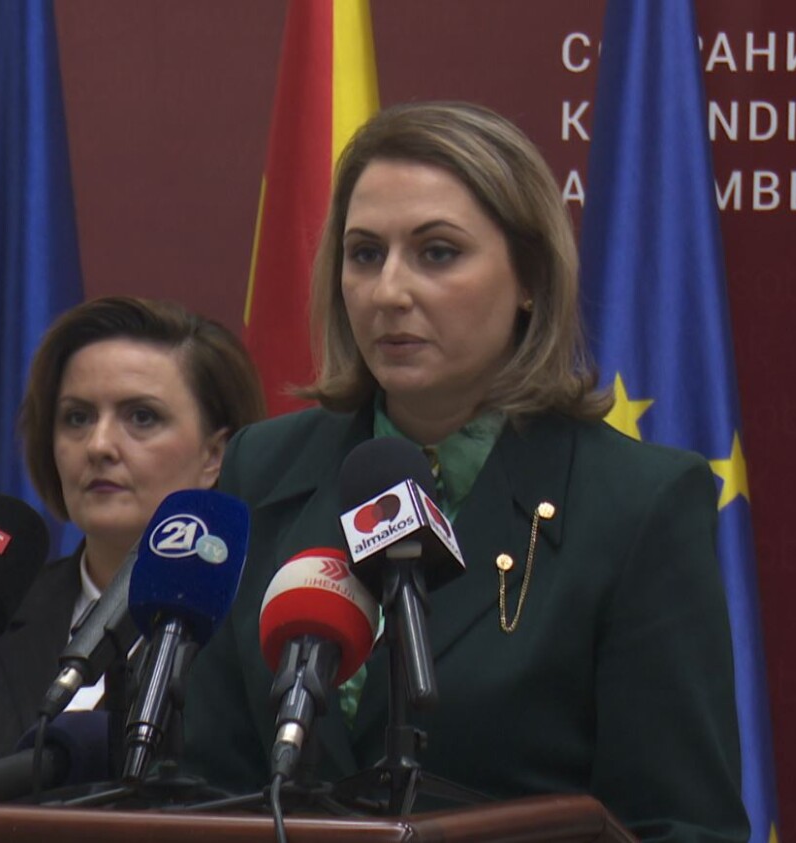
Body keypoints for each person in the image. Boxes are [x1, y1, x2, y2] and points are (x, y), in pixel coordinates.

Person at [182, 102, 750, 841]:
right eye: (365, 254)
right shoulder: (263, 466)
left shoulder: (638, 505)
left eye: (438, 253)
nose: (389, 291)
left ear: (530, 278)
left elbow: (681, 824)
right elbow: (208, 783)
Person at [0, 296, 265, 771]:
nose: (99, 446)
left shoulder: (263, 634)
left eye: (142, 417)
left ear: (215, 455)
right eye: (77, 418)